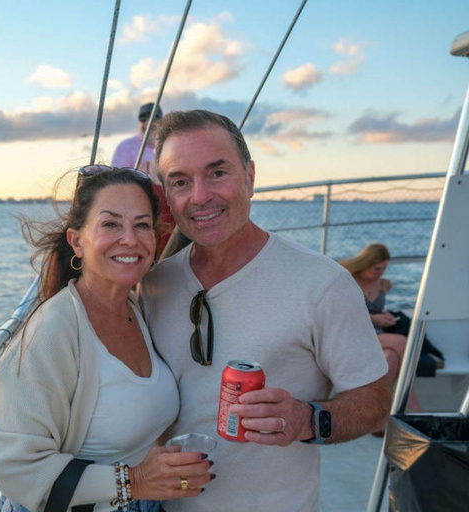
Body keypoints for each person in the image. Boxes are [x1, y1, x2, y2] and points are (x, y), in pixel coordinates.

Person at [139, 110, 392, 512]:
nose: (200, 195)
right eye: (181, 182)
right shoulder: (155, 285)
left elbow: (375, 400)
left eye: (217, 172)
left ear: (250, 176)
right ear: (167, 196)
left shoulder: (322, 283)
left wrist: (308, 420)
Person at [0, 166, 213, 512]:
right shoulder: (50, 334)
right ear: (77, 241)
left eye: (141, 225)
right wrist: (135, 480)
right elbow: (17, 470)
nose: (130, 239)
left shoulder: (136, 308)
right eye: (111, 224)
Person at [340, 244, 445, 394]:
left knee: (392, 357)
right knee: (400, 342)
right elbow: (343, 314)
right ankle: (410, 402)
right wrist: (374, 319)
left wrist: (385, 316)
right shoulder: (349, 281)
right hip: (355, 332)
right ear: (365, 264)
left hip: (378, 333)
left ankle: (387, 402)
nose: (381, 273)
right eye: (377, 269)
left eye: (384, 269)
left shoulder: (384, 284)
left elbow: (375, 309)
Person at [112, 103, 176, 254]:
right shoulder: (126, 146)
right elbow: (115, 181)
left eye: (154, 118)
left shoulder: (171, 146)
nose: (148, 122)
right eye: (143, 118)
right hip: (137, 207)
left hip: (170, 211)